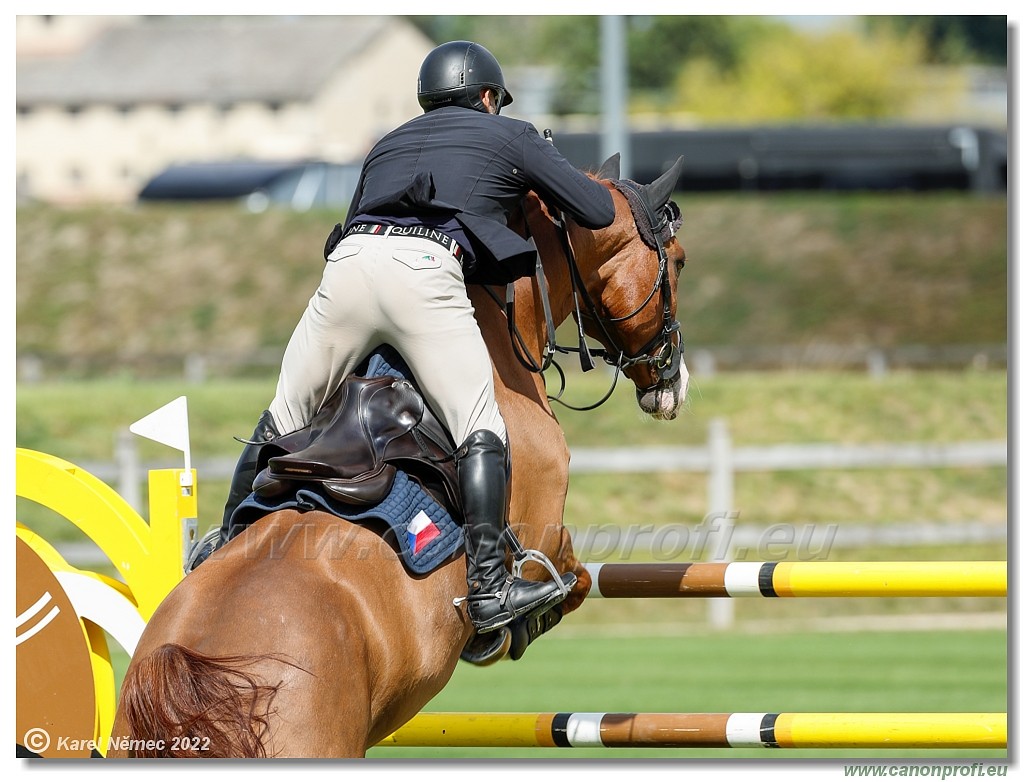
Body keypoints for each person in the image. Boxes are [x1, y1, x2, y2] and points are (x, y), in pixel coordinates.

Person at [194, 41, 616, 635]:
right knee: (480, 424)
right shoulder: (511, 133)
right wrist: (536, 162)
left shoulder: (388, 142)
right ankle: (490, 585)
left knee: (282, 415)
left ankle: (224, 554)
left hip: (347, 266)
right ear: (489, 97)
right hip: (423, 272)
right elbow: (596, 210)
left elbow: (360, 216)